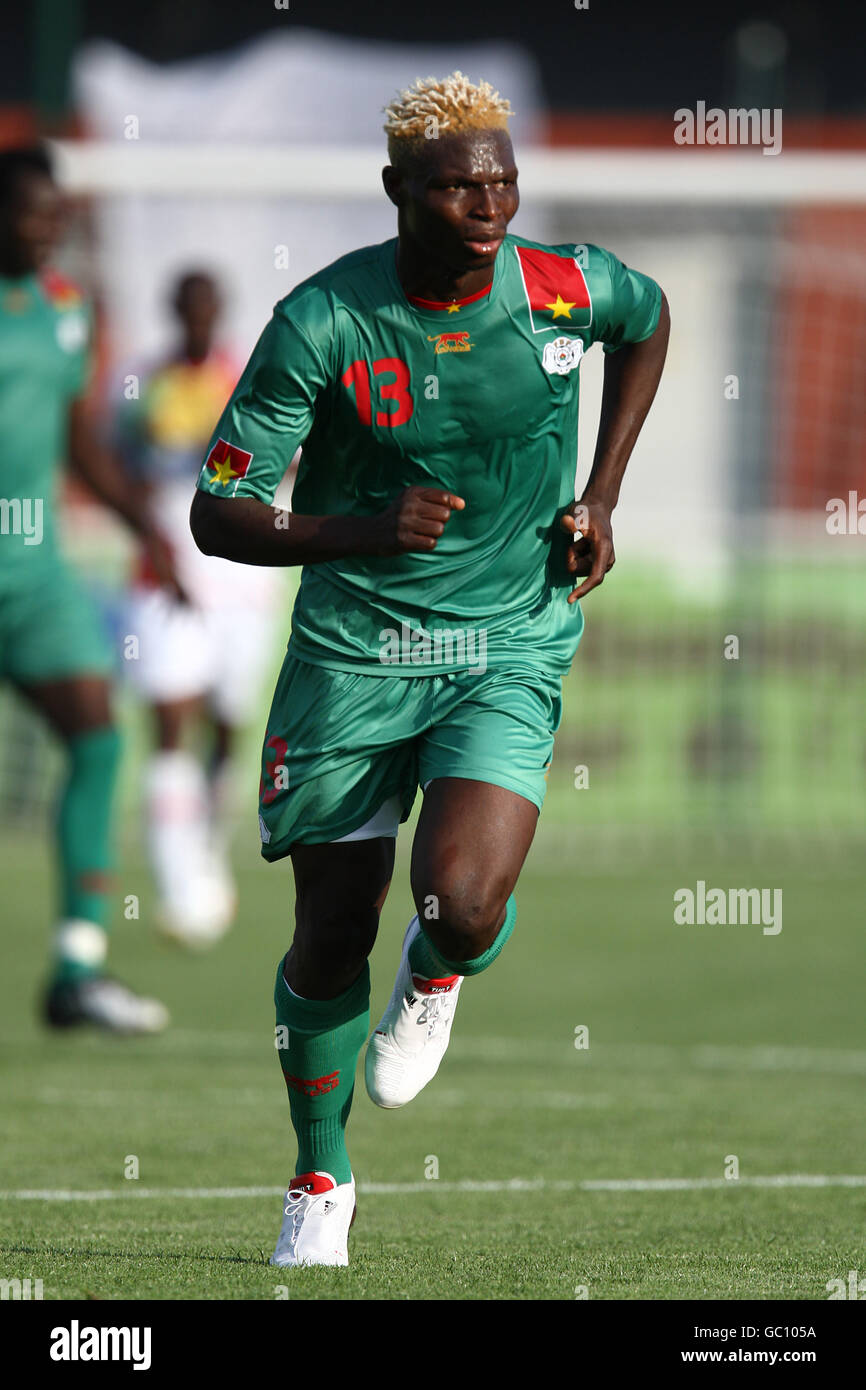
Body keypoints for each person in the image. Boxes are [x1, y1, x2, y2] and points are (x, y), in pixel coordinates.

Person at [190, 72, 670, 1266]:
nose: (490, 200)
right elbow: (218, 510)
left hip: (505, 638)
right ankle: (319, 1174)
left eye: (502, 176)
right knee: (326, 933)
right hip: (355, 653)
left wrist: (600, 495)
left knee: (458, 902)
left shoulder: (561, 286)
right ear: (399, 189)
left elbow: (649, 318)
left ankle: (440, 969)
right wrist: (359, 527)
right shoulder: (322, 321)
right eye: (460, 182)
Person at [0, 144, 172, 1034]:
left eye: (55, 217)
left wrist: (149, 529)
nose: (47, 230)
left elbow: (79, 443)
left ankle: (78, 968)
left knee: (99, 741)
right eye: (31, 214)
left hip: (31, 577)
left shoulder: (68, 310)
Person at [117, 271, 281, 947]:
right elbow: (117, 468)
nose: (198, 318)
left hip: (240, 580)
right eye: (187, 307)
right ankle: (181, 886)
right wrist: (148, 538)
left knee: (229, 726)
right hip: (165, 576)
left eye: (208, 307)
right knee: (168, 719)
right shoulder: (142, 385)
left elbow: (287, 459)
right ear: (174, 311)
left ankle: (209, 849)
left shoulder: (248, 381)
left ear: (219, 312)